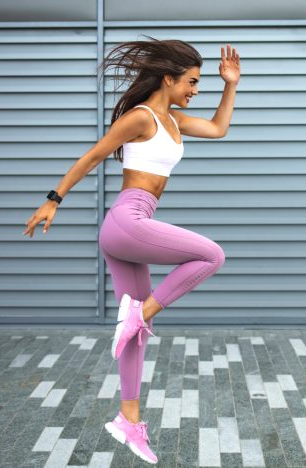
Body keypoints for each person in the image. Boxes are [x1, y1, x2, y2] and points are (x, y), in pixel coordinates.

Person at [22, 38, 240, 464]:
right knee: (211, 256)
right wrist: (53, 198)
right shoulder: (141, 118)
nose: (196, 90)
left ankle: (128, 420)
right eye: (192, 82)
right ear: (168, 78)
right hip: (128, 221)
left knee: (133, 334)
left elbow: (218, 128)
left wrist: (230, 84)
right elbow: (94, 155)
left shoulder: (173, 120)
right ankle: (139, 315)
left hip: (133, 228)